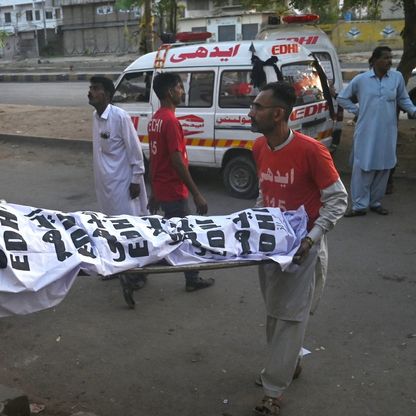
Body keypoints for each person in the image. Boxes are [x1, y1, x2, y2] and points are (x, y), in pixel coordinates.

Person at [249, 81, 348, 415]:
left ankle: (273, 390)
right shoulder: (259, 148)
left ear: (278, 114)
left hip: (303, 250)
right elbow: (265, 193)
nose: (252, 111)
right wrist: (253, 226)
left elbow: (337, 200)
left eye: (258, 107)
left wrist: (311, 238)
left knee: (290, 317)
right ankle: (287, 364)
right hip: (271, 249)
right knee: (275, 312)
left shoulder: (312, 151)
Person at [147, 72, 214, 292]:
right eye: (179, 87)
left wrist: (155, 191)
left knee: (172, 236)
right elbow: (176, 161)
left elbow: (157, 159)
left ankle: (190, 277)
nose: (182, 91)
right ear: (169, 92)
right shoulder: (170, 121)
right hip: (175, 191)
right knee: (180, 237)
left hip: (163, 189)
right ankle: (136, 273)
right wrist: (196, 193)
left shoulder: (156, 119)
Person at [88, 76, 148, 309]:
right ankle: (116, 267)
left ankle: (138, 274)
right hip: (105, 186)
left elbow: (135, 150)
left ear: (108, 95)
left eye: (95, 89)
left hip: (124, 185)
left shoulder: (120, 117)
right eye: (90, 88)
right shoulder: (95, 117)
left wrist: (136, 178)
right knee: (109, 228)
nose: (90, 92)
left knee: (130, 230)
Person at [337, 46, 416, 217]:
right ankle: (359, 205)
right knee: (363, 167)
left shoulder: (396, 78)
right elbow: (342, 97)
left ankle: (376, 202)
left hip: (388, 131)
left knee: (384, 166)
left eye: (391, 57)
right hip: (366, 130)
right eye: (385, 57)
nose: (389, 61)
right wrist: (358, 111)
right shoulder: (361, 79)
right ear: (374, 60)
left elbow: (403, 98)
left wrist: (413, 111)